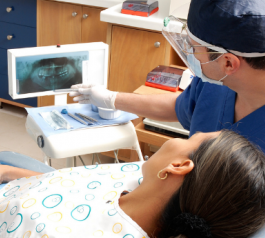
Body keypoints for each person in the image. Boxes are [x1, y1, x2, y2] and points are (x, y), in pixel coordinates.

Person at [0, 130, 265, 238]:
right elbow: (68, 184)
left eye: (197, 137)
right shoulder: (139, 179)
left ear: (179, 165)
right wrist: (1, 173)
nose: (193, 133)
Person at [69, 0, 265, 153]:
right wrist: (111, 99)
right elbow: (181, 107)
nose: (188, 53)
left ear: (228, 63)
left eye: (193, 47)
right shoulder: (215, 83)